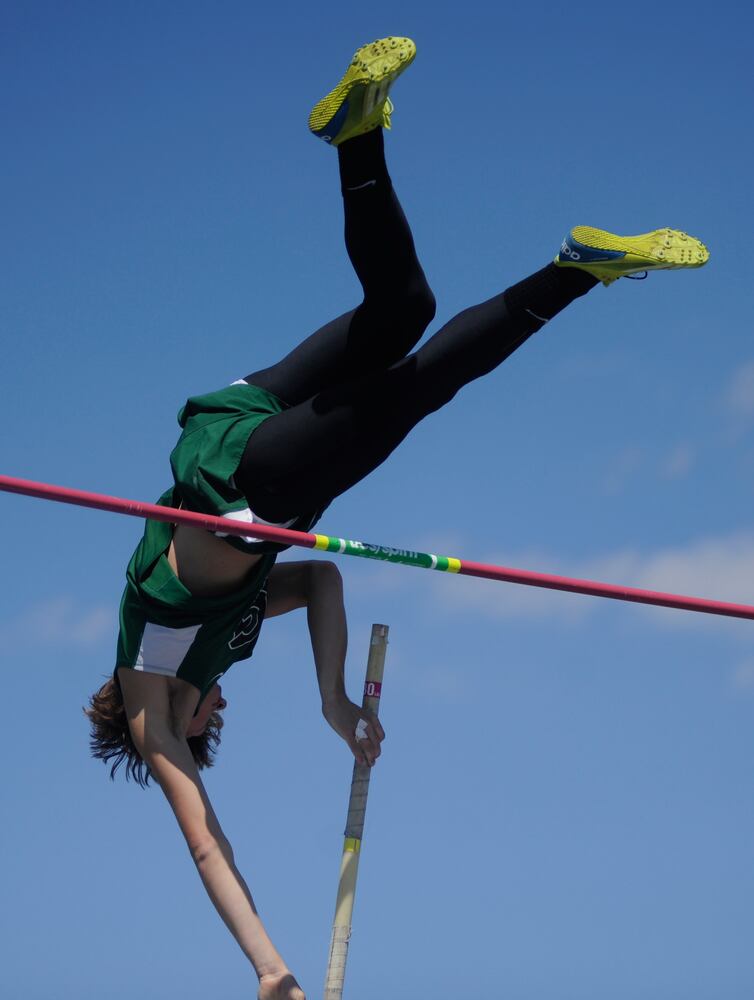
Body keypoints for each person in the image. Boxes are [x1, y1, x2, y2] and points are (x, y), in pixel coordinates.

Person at [85, 36, 709, 1000]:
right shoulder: (233, 636)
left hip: (238, 491)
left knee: (419, 385)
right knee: (403, 308)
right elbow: (323, 579)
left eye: (214, 722)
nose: (220, 710)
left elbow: (207, 845)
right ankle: (373, 144)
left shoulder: (151, 701)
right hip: (243, 442)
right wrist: (331, 694)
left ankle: (571, 271)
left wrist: (271, 972)